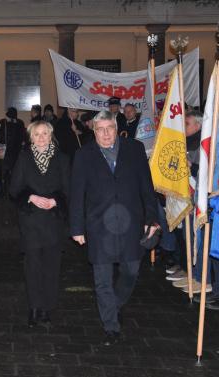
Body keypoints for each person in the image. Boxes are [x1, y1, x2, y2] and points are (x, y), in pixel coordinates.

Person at [69, 110, 158, 346]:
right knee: (102, 279)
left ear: (116, 128)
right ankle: (111, 325)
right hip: (99, 226)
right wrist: (77, 227)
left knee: (130, 271)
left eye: (110, 128)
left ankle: (114, 304)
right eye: (101, 129)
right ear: (93, 130)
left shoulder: (134, 149)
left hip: (131, 223)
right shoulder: (83, 155)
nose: (106, 134)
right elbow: (77, 194)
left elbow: (146, 187)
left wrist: (152, 218)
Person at [9, 121, 70, 327]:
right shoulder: (24, 158)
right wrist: (31, 197)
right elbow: (14, 188)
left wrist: (56, 201)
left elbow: (69, 189)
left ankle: (47, 308)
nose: (41, 138)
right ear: (31, 137)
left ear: (51, 135)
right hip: (31, 220)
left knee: (52, 266)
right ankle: (34, 307)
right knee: (33, 265)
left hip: (53, 221)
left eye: (45, 133)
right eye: (37, 134)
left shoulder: (62, 159)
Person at [0, 107, 26, 195]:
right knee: (13, 173)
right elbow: (23, 137)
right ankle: (12, 191)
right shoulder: (20, 123)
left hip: (2, 150)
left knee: (1, 172)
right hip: (15, 152)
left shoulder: (3, 122)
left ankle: (1, 191)